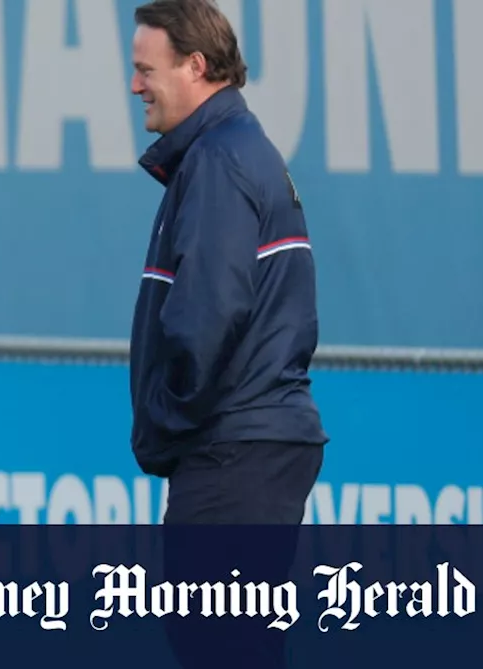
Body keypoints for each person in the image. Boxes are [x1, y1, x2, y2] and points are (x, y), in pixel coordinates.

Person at [127, 0, 329, 526]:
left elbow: (208, 313)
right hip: (247, 445)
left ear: (195, 66)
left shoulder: (218, 159)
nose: (134, 86)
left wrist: (166, 421)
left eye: (146, 70)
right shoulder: (236, 150)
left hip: (232, 450)